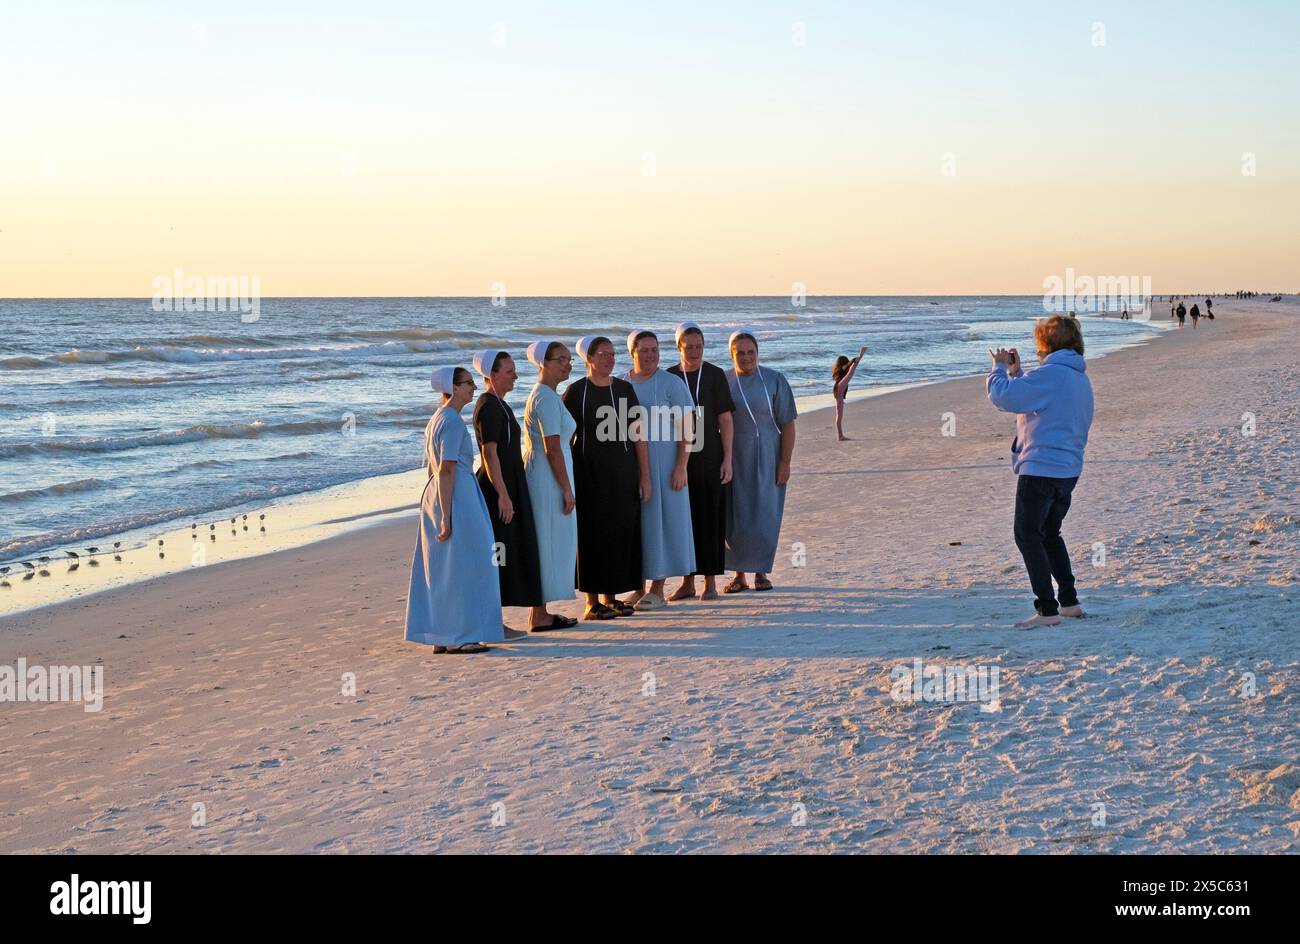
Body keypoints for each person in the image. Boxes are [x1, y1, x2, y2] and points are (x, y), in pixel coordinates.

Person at [986, 315, 1094, 629]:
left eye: (1039, 344)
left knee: (1027, 535)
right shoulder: (1075, 375)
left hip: (1042, 468)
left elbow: (1005, 397)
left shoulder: (1052, 375)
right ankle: (1069, 602)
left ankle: (1047, 609)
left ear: (1047, 344)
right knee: (1049, 534)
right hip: (1067, 469)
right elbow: (1034, 401)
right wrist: (1016, 372)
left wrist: (997, 369)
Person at [405, 367, 504, 654]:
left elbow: (433, 469)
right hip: (456, 494)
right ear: (454, 387)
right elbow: (447, 468)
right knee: (469, 563)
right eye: (468, 383)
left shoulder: (438, 418)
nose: (474, 387)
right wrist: (447, 515)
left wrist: (436, 504)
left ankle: (442, 634)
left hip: (438, 493)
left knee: (442, 567)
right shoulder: (452, 421)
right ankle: (462, 635)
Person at [564, 335, 651, 620]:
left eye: (613, 354)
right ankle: (592, 602)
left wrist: (645, 477)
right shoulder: (576, 392)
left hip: (623, 472)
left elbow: (639, 435)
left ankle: (611, 597)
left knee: (620, 531)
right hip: (588, 473)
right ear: (588, 359)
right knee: (592, 534)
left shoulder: (624, 389)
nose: (610, 359)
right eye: (603, 354)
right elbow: (563, 438)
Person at [621, 329, 696, 610]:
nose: (651, 355)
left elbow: (688, 427)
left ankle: (658, 588)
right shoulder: (621, 382)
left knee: (664, 523)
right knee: (639, 524)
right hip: (632, 464)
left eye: (654, 350)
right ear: (633, 353)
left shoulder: (671, 383)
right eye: (644, 350)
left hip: (666, 464)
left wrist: (681, 466)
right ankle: (638, 586)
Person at [471, 349, 542, 636]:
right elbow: (489, 453)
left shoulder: (499, 404)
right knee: (496, 554)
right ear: (493, 375)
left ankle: (495, 622)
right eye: (509, 371)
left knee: (506, 552)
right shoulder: (488, 406)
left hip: (510, 483)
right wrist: (502, 494)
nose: (515, 375)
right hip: (496, 487)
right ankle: (491, 623)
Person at [723, 330, 797, 593]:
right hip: (733, 457)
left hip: (768, 454)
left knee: (765, 513)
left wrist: (785, 462)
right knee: (736, 515)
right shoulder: (723, 381)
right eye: (740, 352)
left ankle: (761, 573)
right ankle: (739, 575)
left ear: (758, 353)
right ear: (732, 354)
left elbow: (787, 424)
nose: (746, 357)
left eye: (750, 352)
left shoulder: (775, 380)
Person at [666, 322, 735, 601]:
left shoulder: (715, 375)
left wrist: (728, 459)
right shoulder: (669, 377)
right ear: (678, 347)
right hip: (677, 457)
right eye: (688, 346)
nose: (694, 351)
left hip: (710, 456)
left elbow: (725, 419)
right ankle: (687, 582)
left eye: (699, 346)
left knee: (710, 519)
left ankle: (709, 583)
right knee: (685, 520)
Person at [521, 340, 579, 631]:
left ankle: (540, 611)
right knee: (547, 539)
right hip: (547, 477)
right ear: (544, 363)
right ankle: (539, 612)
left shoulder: (548, 395)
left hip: (551, 473)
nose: (568, 364)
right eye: (561, 360)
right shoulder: (543, 397)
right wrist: (567, 489)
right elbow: (552, 448)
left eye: (569, 359)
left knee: (553, 539)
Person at [832, 346, 868, 441]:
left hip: (838, 390)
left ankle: (840, 435)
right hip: (839, 389)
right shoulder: (843, 368)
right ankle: (840, 436)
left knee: (839, 414)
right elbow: (850, 365)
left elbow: (849, 366)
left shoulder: (840, 370)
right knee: (851, 372)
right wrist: (858, 356)